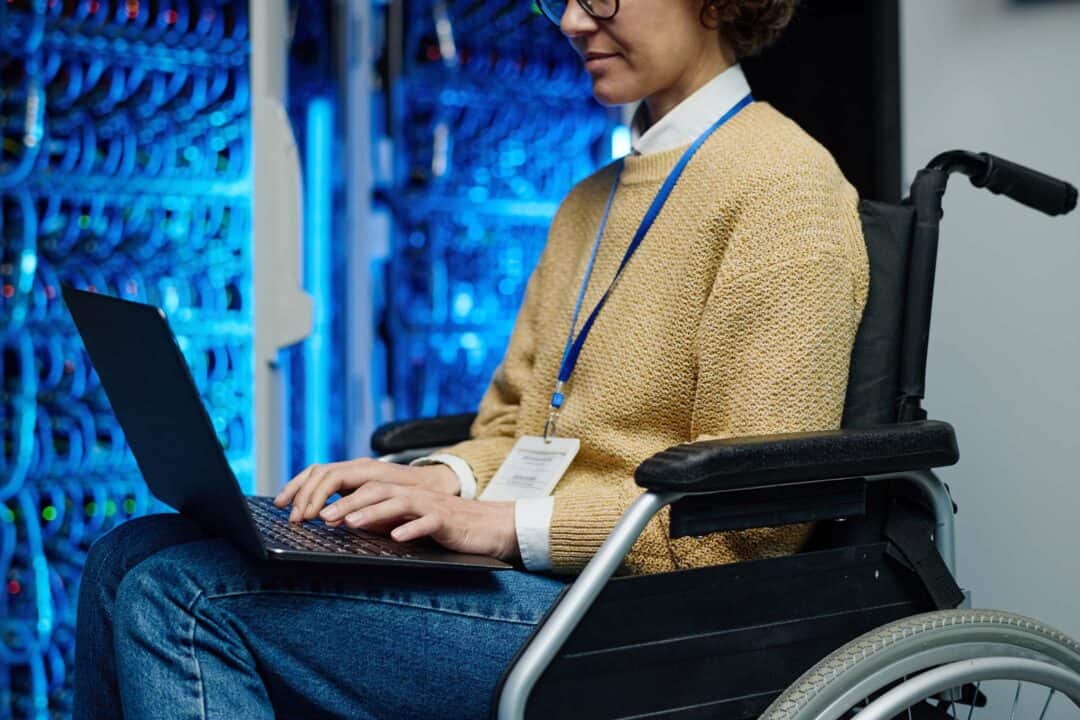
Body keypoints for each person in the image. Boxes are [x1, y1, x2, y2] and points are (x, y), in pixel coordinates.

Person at [74, 0, 868, 717]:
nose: (572, 21)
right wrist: (437, 481)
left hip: (649, 613)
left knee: (180, 596)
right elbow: (513, 425)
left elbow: (757, 526)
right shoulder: (588, 201)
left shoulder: (785, 187)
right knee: (127, 554)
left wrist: (496, 527)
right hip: (550, 577)